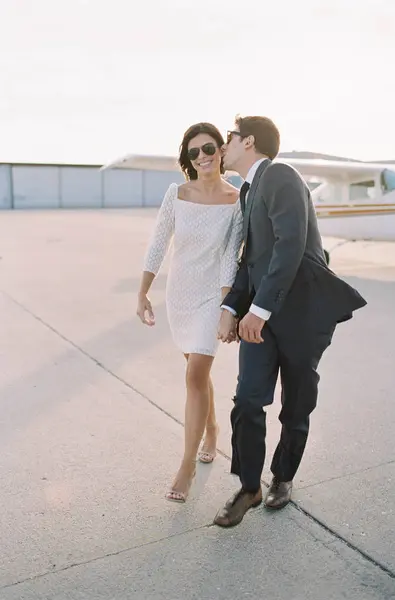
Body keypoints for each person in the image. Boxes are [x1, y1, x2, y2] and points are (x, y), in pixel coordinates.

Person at [214, 115, 367, 527]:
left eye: (228, 139)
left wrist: (258, 310)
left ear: (248, 142)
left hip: (300, 315)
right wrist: (232, 309)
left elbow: (290, 243)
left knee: (296, 405)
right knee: (248, 399)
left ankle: (283, 477)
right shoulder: (249, 192)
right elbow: (253, 258)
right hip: (260, 316)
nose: (223, 147)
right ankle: (249, 487)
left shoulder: (280, 175)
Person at [137, 122, 243, 502]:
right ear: (188, 158)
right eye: (194, 152)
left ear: (220, 150)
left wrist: (227, 307)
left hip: (210, 298)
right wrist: (143, 291)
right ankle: (212, 429)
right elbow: (159, 242)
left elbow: (231, 255)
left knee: (196, 373)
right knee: (197, 373)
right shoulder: (176, 193)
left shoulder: (237, 198)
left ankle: (186, 466)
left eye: (209, 148)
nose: (203, 156)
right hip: (179, 296)